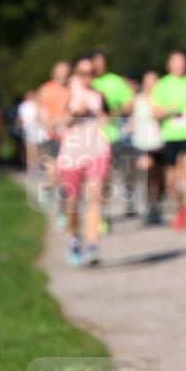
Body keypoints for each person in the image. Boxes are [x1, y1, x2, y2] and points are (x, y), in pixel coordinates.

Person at [56, 57, 111, 266]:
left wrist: (99, 114)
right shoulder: (66, 92)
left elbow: (108, 118)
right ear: (75, 73)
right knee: (73, 202)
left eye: (91, 72)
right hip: (71, 153)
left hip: (97, 149)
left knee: (94, 198)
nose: (87, 76)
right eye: (82, 72)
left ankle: (93, 245)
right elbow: (51, 122)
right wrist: (72, 113)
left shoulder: (98, 95)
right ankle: (74, 238)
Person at [150, 51, 186, 230]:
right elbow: (154, 112)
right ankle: (178, 208)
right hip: (170, 135)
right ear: (169, 66)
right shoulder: (162, 85)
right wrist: (168, 111)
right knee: (171, 178)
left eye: (182, 62)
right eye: (176, 63)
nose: (179, 66)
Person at [89, 48, 135, 223]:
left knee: (104, 176)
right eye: (96, 60)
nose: (99, 64)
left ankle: (102, 211)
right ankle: (95, 211)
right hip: (87, 138)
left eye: (102, 60)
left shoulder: (115, 81)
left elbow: (129, 106)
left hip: (110, 136)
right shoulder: (85, 82)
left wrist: (115, 110)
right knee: (92, 180)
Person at [129, 71, 165, 225]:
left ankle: (156, 204)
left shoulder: (163, 99)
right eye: (149, 81)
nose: (152, 84)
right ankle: (150, 205)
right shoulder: (137, 100)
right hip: (142, 141)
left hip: (161, 141)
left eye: (155, 81)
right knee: (148, 172)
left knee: (160, 177)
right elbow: (131, 116)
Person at [37, 61, 71, 219]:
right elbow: (39, 115)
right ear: (54, 72)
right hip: (51, 137)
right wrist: (49, 124)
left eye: (66, 71)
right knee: (54, 175)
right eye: (60, 71)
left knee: (66, 178)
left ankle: (62, 212)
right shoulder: (46, 89)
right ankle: (48, 190)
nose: (63, 74)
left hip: (69, 137)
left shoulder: (71, 90)